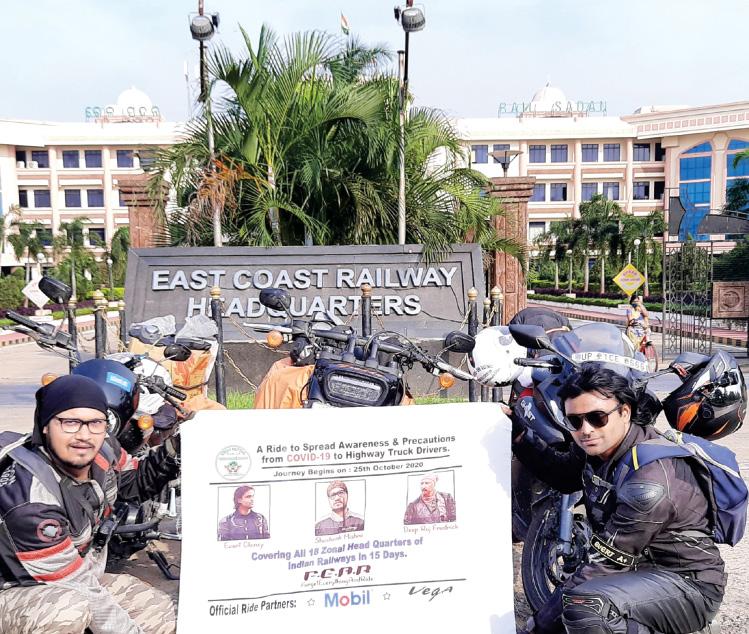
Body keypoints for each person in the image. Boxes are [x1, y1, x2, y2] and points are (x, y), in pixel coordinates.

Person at [513, 364, 724, 634]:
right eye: (574, 421)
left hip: (687, 585)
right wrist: (520, 437)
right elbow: (563, 476)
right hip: (640, 572)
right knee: (574, 607)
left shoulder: (650, 481)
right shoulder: (598, 449)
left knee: (585, 605)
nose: (585, 430)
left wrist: (537, 626)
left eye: (597, 417)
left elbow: (602, 565)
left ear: (624, 412)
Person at [0, 374, 180, 634]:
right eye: (70, 422)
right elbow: (78, 586)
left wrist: (176, 448)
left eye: (95, 422)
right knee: (67, 611)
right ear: (45, 425)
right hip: (15, 591)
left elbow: (133, 483)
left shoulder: (104, 450)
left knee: (154, 607)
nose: (84, 435)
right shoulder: (29, 500)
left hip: (69, 582)